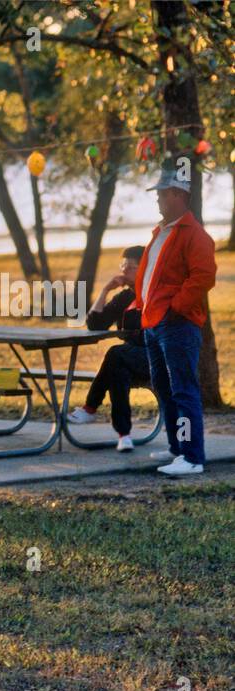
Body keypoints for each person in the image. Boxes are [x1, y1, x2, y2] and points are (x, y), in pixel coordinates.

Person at [132, 165, 217, 476]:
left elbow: (203, 277)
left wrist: (175, 307)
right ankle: (177, 449)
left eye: (162, 194)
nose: (157, 200)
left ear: (179, 196)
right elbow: (151, 276)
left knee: (182, 390)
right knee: (164, 389)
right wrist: (140, 304)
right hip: (154, 323)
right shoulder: (161, 232)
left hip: (176, 324)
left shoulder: (195, 235)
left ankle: (192, 458)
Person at [65, 246, 149, 451]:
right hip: (129, 358)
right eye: (123, 266)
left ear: (145, 268)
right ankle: (124, 436)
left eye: (131, 267)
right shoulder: (124, 297)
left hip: (154, 356)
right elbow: (95, 324)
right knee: (117, 370)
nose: (124, 271)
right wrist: (105, 290)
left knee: (115, 353)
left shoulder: (153, 293)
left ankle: (90, 407)